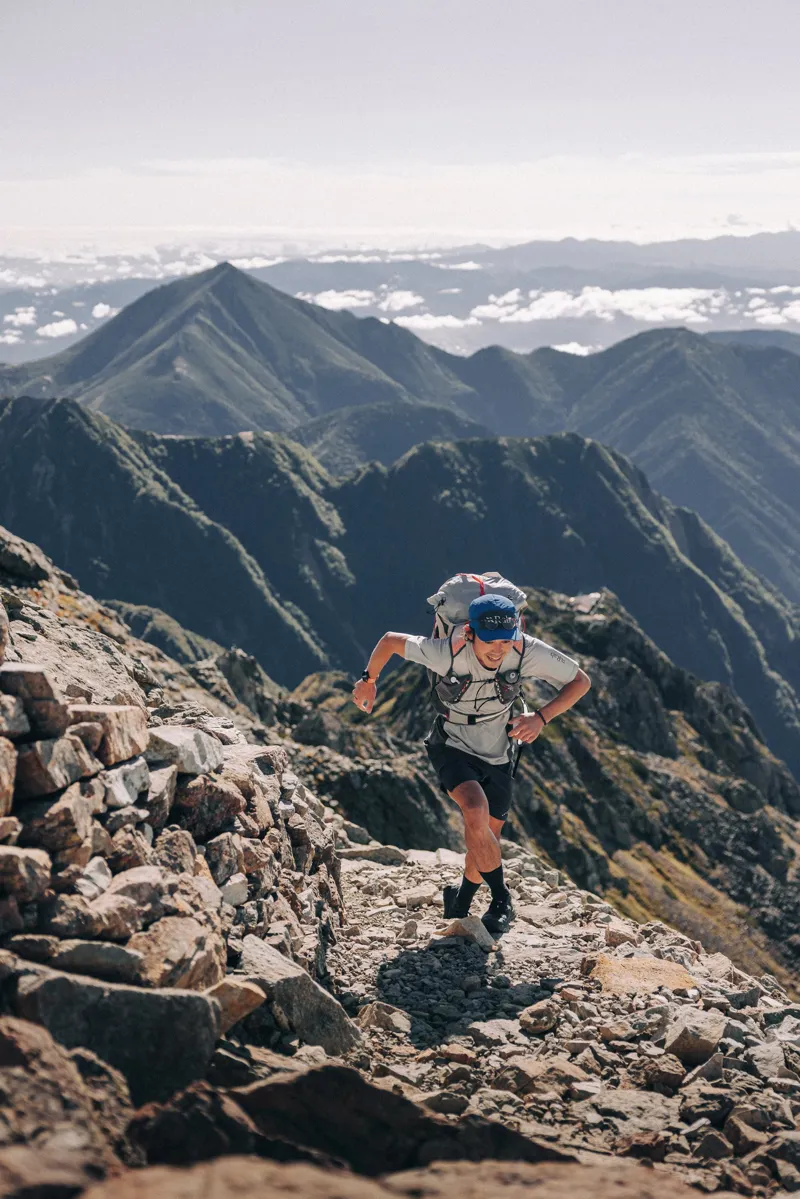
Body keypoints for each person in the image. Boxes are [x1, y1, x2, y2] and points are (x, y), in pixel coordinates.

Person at [351, 592, 591, 934]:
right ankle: (501, 899)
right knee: (475, 812)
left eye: (506, 641)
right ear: (470, 634)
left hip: (498, 753)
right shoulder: (447, 651)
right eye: (490, 642)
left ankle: (461, 898)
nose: (499, 650)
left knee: (484, 838)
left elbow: (581, 681)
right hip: (451, 745)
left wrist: (541, 717)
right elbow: (390, 641)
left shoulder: (526, 651)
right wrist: (368, 680)